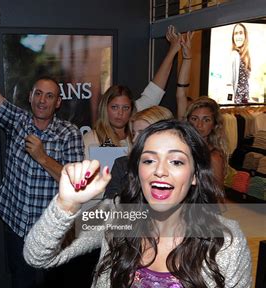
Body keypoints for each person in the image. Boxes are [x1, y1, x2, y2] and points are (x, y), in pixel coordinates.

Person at [24, 120, 252, 288]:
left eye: (176, 161)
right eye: (149, 160)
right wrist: (66, 204)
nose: (160, 171)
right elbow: (37, 256)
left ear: (194, 175)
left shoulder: (226, 242)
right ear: (138, 171)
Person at [0, 22, 84, 288]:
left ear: (58, 102)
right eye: (38, 94)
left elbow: (76, 182)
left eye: (49, 96)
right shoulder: (18, 121)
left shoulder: (69, 133)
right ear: (30, 96)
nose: (42, 100)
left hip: (53, 231)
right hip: (17, 226)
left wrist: (42, 157)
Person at [83, 25, 182, 157]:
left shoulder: (137, 125)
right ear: (105, 108)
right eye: (114, 107)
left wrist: (173, 50)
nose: (120, 113)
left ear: (132, 109)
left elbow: (156, 89)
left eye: (125, 108)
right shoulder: (91, 139)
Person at [104, 105, 173, 199]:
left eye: (142, 133)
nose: (134, 139)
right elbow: (109, 201)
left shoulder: (176, 167)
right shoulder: (122, 164)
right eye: (133, 133)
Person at [184, 97, 228, 187]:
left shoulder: (213, 157)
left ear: (214, 125)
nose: (199, 125)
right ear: (188, 121)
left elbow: (217, 195)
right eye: (194, 119)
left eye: (206, 120)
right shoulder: (182, 149)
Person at [231, 23, 251, 104]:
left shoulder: (245, 56)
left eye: (241, 33)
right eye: (236, 33)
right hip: (236, 102)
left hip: (244, 101)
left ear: (245, 36)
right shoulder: (234, 54)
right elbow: (229, 82)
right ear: (233, 37)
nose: (238, 36)